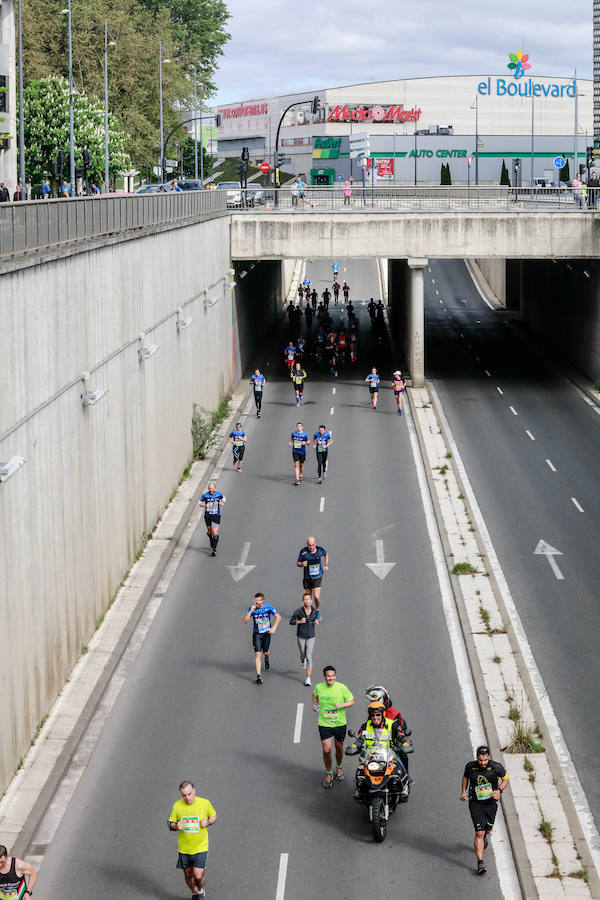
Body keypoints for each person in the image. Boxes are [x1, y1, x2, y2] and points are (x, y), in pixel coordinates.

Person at [461, 745, 509, 875]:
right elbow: (465, 777)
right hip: (475, 804)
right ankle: (480, 863)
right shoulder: (470, 766)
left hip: (491, 803)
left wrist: (499, 790)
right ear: (477, 758)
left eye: (485, 760)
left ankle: (485, 834)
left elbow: (505, 779)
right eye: (480, 760)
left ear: (488, 757)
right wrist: (463, 792)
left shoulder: (496, 767)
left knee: (487, 830)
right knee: (479, 833)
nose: (483, 763)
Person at [168, 780, 217, 899]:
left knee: (198, 875)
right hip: (184, 848)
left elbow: (214, 816)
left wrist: (208, 822)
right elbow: (170, 823)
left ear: (194, 791)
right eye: (184, 795)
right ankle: (194, 892)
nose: (187, 798)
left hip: (201, 846)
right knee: (188, 876)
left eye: (189, 794)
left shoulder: (205, 803)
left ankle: (200, 891)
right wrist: (175, 826)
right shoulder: (177, 806)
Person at [354, 702, 410, 799]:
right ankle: (359, 790)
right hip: (370, 756)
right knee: (360, 774)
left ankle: (405, 785)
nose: (375, 718)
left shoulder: (392, 724)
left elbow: (400, 735)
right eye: (373, 715)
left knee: (399, 769)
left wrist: (405, 742)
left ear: (383, 714)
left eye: (378, 715)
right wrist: (355, 745)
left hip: (389, 755)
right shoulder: (365, 726)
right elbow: (360, 739)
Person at [313, 666, 355, 788]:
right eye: (328, 676)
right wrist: (315, 705)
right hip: (324, 723)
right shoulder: (319, 687)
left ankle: (339, 767)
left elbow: (352, 702)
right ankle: (329, 773)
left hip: (339, 724)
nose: (331, 678)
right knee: (327, 750)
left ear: (335, 676)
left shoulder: (342, 688)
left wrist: (342, 704)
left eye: (333, 676)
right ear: (324, 677)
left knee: (339, 747)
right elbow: (315, 696)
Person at [364, 684, 413, 776]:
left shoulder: (393, 714)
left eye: (373, 700)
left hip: (391, 747)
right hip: (375, 746)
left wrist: (402, 740)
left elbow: (401, 730)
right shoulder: (373, 712)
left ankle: (406, 776)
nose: (371, 703)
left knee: (403, 755)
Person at [242, 592, 281, 684]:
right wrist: (251, 611)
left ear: (262, 601)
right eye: (254, 602)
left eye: (257, 602)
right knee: (257, 654)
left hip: (266, 633)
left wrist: (274, 628)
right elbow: (244, 621)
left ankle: (267, 658)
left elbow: (278, 617)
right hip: (257, 634)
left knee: (266, 652)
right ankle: (259, 676)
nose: (255, 604)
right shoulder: (252, 609)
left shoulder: (269, 607)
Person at [290, 592, 320, 686]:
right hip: (301, 635)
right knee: (303, 654)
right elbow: (292, 621)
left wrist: (317, 621)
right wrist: (299, 621)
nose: (307, 601)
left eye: (308, 599)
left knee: (309, 656)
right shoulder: (298, 611)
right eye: (305, 599)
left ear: (311, 601)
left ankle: (308, 678)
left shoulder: (315, 611)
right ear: (302, 601)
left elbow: (318, 618)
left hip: (311, 635)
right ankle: (302, 660)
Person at [297, 535, 328, 610]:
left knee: (316, 597)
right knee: (308, 597)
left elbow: (326, 554)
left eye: (313, 545)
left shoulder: (320, 550)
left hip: (317, 577)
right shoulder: (303, 552)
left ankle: (317, 611)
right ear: (307, 545)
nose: (311, 547)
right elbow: (298, 563)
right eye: (309, 545)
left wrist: (326, 564)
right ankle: (308, 612)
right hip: (307, 578)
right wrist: (301, 564)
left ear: (315, 544)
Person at [198, 482, 225, 556]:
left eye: (212, 489)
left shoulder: (219, 494)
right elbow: (199, 502)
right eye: (209, 489)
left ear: (215, 489)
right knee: (210, 532)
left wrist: (222, 502)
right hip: (208, 516)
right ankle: (210, 538)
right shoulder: (205, 495)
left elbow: (223, 498)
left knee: (214, 532)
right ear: (208, 489)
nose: (211, 490)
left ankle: (214, 549)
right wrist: (204, 505)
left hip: (216, 515)